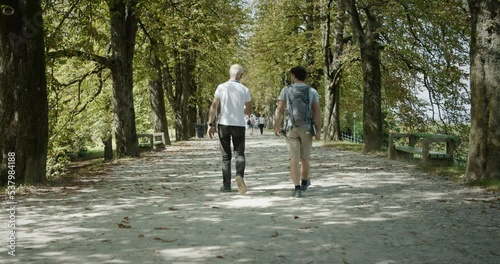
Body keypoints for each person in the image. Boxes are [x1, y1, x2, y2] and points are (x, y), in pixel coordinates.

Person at [274, 66, 321, 198]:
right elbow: (317, 111)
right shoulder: (312, 91)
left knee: (294, 160)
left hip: (291, 128)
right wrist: (318, 131)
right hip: (306, 128)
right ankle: (305, 181)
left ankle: (297, 189)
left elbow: (279, 109)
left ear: (294, 76)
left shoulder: (286, 90)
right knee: (305, 158)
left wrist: (277, 126)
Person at [207, 64, 253, 194]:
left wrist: (210, 124)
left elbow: (214, 106)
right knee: (239, 153)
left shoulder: (221, 87)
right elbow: (249, 111)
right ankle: (239, 176)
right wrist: (242, 109)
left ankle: (226, 185)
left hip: (224, 124)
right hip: (239, 124)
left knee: (226, 156)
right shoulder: (245, 89)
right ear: (241, 76)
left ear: (229, 73)